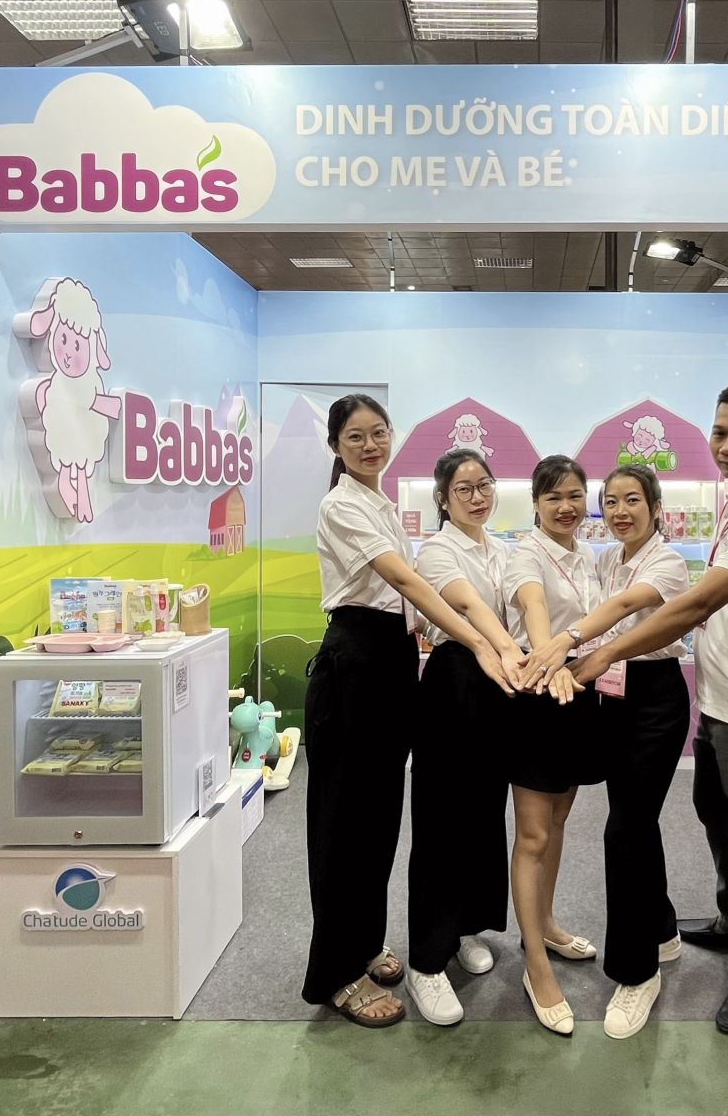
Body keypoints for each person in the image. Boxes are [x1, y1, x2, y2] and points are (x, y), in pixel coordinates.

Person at [571, 383, 728, 1036]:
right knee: (715, 813)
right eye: (721, 432)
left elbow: (696, 604)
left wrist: (598, 652)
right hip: (721, 699)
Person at [301, 395, 514, 1029]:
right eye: (355, 437)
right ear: (335, 446)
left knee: (378, 820)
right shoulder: (341, 504)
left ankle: (365, 944)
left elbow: (407, 605)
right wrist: (479, 641)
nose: (370, 445)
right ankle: (336, 973)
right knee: (343, 824)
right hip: (354, 665)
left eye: (379, 433)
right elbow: (407, 583)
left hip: (392, 664)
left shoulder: (383, 504)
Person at [519, 465, 690, 1039]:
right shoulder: (607, 558)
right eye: (611, 501)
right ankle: (661, 930)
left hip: (655, 699)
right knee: (637, 822)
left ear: (656, 507)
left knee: (625, 829)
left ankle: (637, 973)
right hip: (611, 697)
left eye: (633, 500)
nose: (620, 512)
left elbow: (621, 611)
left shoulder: (668, 562)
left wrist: (567, 645)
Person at [405, 449, 527, 1025]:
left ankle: (463, 929)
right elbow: (470, 607)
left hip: (498, 685)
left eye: (484, 485)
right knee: (440, 818)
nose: (477, 497)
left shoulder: (501, 549)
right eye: (463, 489)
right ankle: (425, 962)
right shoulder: (437, 551)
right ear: (443, 499)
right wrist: (507, 651)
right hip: (455, 681)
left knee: (483, 813)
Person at [503, 455, 603, 1037]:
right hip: (540, 694)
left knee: (559, 822)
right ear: (536, 504)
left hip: (578, 692)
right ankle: (536, 966)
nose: (566, 507)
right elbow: (534, 608)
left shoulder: (588, 555)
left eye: (574, 495)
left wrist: (574, 666)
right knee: (534, 835)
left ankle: (544, 924)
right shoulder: (526, 554)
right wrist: (549, 659)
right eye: (553, 497)